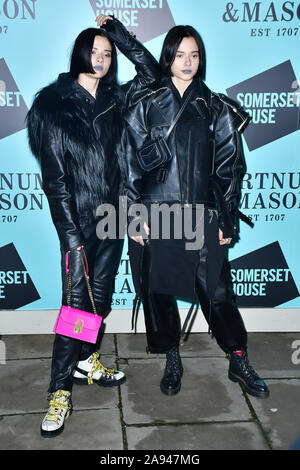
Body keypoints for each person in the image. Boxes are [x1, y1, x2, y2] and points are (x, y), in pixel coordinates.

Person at [27, 15, 160, 438]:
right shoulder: (52, 105)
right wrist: (69, 236)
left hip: (112, 219)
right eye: (95, 51)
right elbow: (56, 180)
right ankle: (59, 391)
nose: (101, 59)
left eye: (107, 54)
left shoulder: (117, 99)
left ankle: (86, 361)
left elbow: (153, 72)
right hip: (77, 227)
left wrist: (118, 34)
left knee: (98, 303)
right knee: (74, 311)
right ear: (79, 54)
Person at [124, 25, 270, 399]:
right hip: (157, 214)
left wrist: (227, 217)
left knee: (218, 291)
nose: (187, 62)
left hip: (203, 216)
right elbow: (128, 165)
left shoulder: (216, 106)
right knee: (161, 291)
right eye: (180, 55)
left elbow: (229, 167)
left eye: (195, 55)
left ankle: (238, 358)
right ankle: (172, 357)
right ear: (168, 58)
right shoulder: (145, 103)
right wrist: (133, 217)